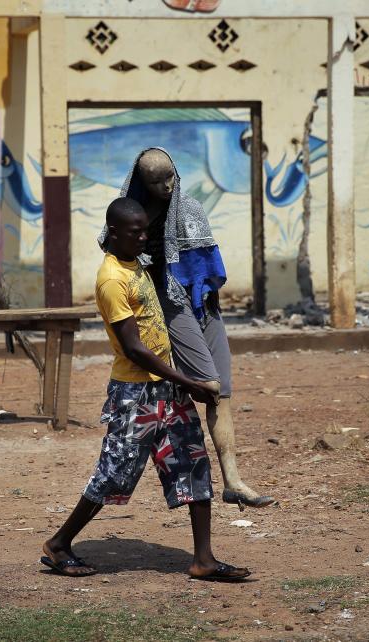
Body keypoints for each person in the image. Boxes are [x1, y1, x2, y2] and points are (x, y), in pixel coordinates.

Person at [41, 197, 251, 581]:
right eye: (134, 232)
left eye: (145, 230)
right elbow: (135, 349)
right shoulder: (111, 279)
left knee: (193, 465)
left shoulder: (137, 264)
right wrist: (189, 382)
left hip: (168, 390)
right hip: (135, 395)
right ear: (114, 232)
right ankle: (58, 544)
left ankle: (203, 559)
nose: (143, 237)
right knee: (114, 473)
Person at [99, 147, 273, 510]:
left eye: (170, 178)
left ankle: (233, 480)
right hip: (168, 304)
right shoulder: (132, 218)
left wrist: (208, 299)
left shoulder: (191, 209)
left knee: (222, 390)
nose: (166, 186)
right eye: (156, 181)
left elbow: (206, 262)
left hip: (202, 301)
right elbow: (124, 266)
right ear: (141, 182)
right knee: (207, 385)